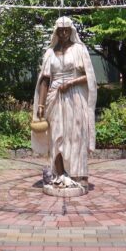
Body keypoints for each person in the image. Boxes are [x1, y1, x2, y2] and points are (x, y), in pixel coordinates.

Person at [32, 16, 97, 187]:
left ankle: (78, 174)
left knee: (76, 135)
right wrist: (41, 104)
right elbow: (45, 79)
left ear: (71, 30)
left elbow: (89, 77)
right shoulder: (49, 53)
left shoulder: (79, 49)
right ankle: (59, 173)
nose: (64, 33)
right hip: (54, 97)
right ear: (56, 32)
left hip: (74, 97)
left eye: (67, 29)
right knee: (57, 136)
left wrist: (71, 83)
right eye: (60, 30)